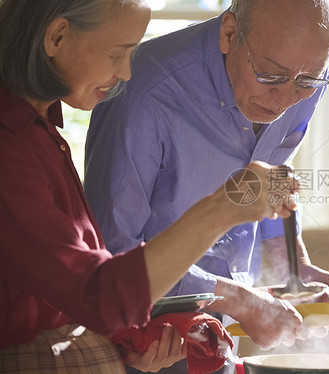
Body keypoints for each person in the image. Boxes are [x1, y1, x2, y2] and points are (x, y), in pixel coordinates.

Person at [0, 0, 304, 373]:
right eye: (118, 53)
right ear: (58, 37)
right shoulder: (9, 149)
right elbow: (99, 296)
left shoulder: (42, 131)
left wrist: (132, 337)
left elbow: (66, 293)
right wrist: (222, 208)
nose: (127, 72)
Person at [84, 0, 329, 369]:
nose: (285, 101)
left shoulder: (304, 70)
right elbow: (114, 255)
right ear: (229, 34)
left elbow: (271, 170)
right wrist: (239, 300)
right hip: (139, 337)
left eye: (307, 82)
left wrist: (292, 264)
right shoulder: (141, 95)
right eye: (271, 77)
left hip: (221, 323)